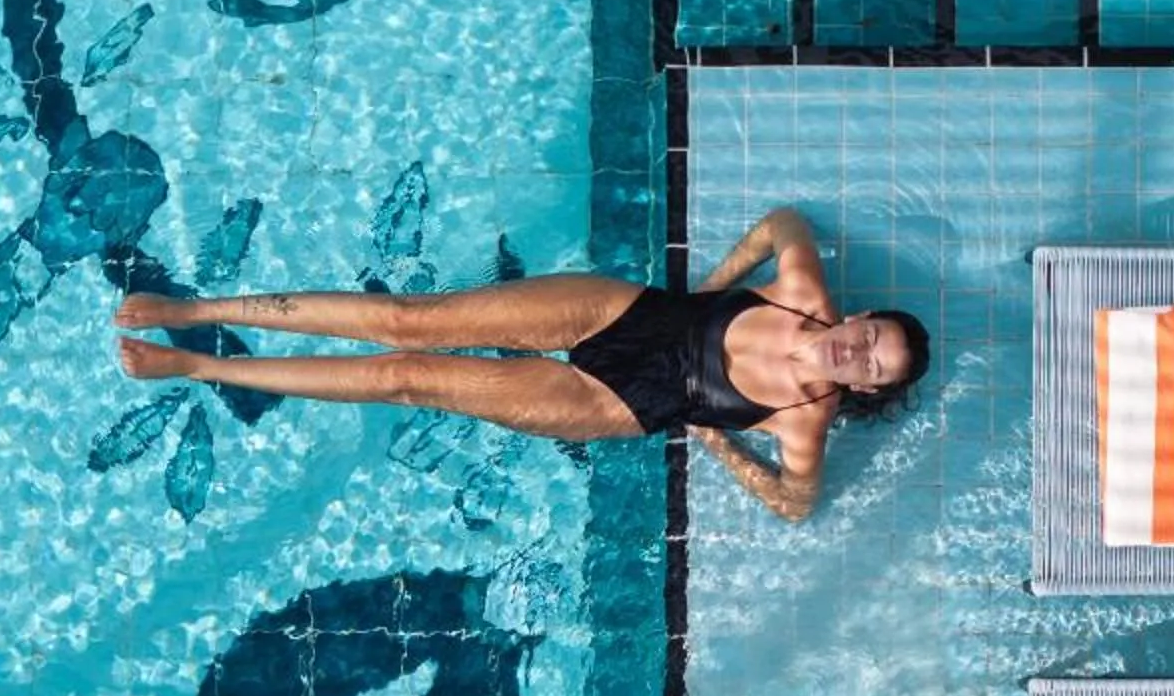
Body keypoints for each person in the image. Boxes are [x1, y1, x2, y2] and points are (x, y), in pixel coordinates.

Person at [116, 208, 928, 522]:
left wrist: (719, 444)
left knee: (409, 377)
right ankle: (199, 310)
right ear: (858, 318)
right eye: (871, 337)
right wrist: (712, 288)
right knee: (411, 321)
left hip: (622, 400)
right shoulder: (803, 288)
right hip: (629, 309)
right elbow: (784, 222)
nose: (857, 352)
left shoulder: (803, 419)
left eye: (871, 369)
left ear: (862, 387)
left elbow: (796, 504)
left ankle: (195, 367)